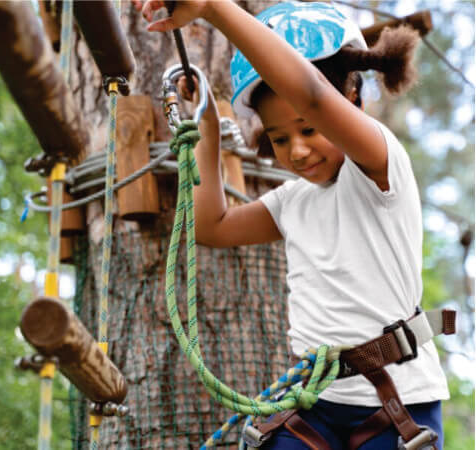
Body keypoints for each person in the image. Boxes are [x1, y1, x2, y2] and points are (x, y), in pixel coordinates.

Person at [133, 1, 451, 449]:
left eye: (308, 130)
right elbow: (213, 226)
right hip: (315, 403)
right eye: (279, 138)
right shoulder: (293, 202)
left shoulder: (381, 168)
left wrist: (213, 9)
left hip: (399, 403)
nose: (297, 151)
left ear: (352, 98)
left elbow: (313, 95)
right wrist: (206, 122)